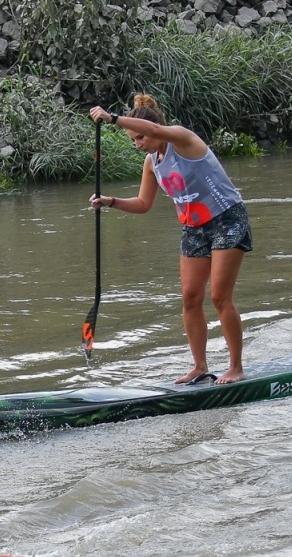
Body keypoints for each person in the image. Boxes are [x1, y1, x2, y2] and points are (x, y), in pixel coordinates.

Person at [89, 94, 252, 384]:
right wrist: (110, 201)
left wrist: (111, 118)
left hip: (227, 218)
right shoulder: (152, 164)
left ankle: (235, 367)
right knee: (190, 298)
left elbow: (154, 131)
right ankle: (200, 366)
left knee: (219, 296)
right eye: (134, 140)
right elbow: (143, 204)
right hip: (194, 228)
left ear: (154, 129)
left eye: (140, 137)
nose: (139, 144)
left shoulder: (183, 139)